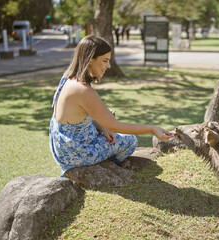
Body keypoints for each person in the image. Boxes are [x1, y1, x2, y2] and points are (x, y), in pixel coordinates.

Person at [49, 35, 173, 177]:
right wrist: (152, 129)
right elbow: (114, 125)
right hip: (76, 153)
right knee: (130, 140)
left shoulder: (68, 78)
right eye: (105, 61)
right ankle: (95, 168)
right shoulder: (83, 90)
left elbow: (80, 116)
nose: (108, 66)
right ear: (90, 60)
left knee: (113, 132)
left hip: (62, 147)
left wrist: (103, 128)